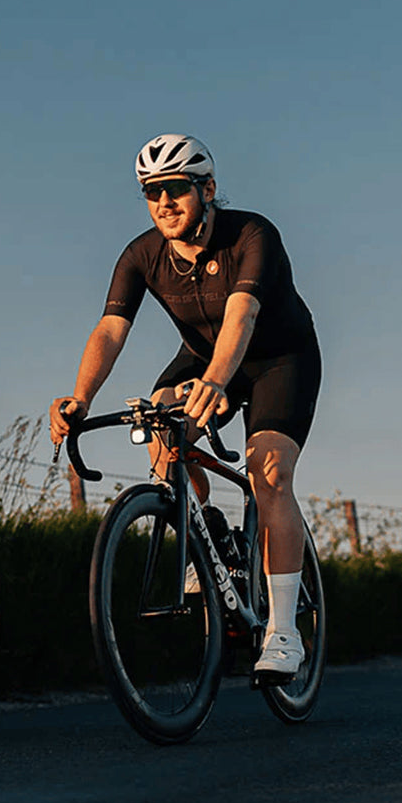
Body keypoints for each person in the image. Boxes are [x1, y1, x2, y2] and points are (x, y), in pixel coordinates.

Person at [49, 134, 321, 683]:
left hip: (277, 360)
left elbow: (242, 316)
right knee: (159, 427)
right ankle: (206, 534)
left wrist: (218, 382)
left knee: (268, 473)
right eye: (152, 193)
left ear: (209, 189)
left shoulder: (251, 234)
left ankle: (285, 633)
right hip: (201, 358)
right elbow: (110, 329)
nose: (164, 203)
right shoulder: (142, 253)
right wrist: (80, 397)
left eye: (176, 189)